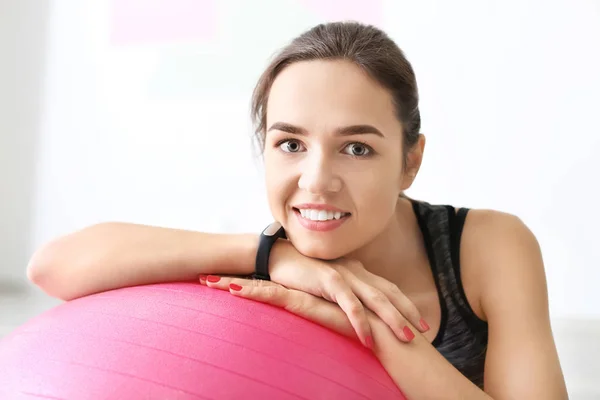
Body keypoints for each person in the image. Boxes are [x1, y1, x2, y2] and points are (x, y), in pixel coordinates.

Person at [26, 21, 568, 399]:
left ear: (411, 160)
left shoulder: (487, 246)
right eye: (291, 143)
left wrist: (376, 329)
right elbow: (50, 267)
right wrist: (273, 257)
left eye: (357, 148)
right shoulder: (273, 267)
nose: (316, 181)